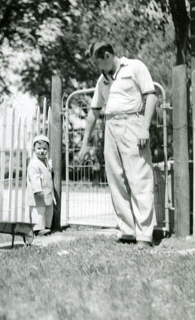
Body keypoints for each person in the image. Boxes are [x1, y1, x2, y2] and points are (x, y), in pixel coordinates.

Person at [79, 42, 157, 247]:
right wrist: (84, 143)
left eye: (98, 63)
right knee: (116, 180)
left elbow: (150, 96)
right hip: (110, 126)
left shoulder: (135, 67)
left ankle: (144, 235)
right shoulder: (101, 81)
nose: (98, 68)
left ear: (106, 56)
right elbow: (94, 112)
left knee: (139, 179)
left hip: (133, 123)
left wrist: (144, 128)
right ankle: (128, 231)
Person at [27, 135, 55, 236]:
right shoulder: (34, 164)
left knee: (48, 209)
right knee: (39, 211)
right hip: (38, 193)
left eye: (44, 149)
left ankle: (47, 226)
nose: (42, 151)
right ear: (33, 149)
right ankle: (38, 229)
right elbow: (34, 178)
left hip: (47, 192)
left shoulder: (45, 162)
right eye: (39, 148)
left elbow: (47, 171)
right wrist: (37, 190)